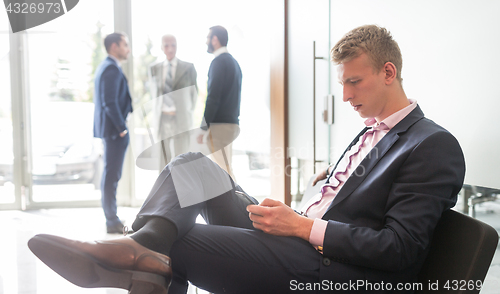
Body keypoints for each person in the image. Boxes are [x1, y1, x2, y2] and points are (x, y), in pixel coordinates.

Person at [28, 25, 465, 293]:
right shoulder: (370, 132)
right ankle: (141, 250)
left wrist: (304, 226)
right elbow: (354, 201)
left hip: (336, 271)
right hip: (301, 239)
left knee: (175, 243)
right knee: (190, 165)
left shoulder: (430, 144)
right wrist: (302, 210)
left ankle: (137, 254)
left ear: (389, 73)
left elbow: (401, 250)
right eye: (343, 84)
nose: (345, 96)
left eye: (354, 82)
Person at [92, 32, 133, 234]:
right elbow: (110, 103)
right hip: (114, 132)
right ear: (114, 46)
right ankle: (111, 220)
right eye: (125, 45)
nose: (128, 49)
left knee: (111, 175)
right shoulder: (111, 69)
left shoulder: (106, 67)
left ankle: (112, 217)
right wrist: (121, 128)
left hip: (111, 132)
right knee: (111, 176)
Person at [196, 26, 242, 180]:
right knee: (227, 169)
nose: (206, 42)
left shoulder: (218, 63)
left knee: (224, 173)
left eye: (208, 38)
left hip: (220, 128)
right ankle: (240, 203)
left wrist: (203, 128)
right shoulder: (234, 63)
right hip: (231, 124)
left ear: (215, 40)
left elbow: (213, 97)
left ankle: (241, 204)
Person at [149, 34, 198, 167]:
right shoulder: (154, 69)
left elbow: (194, 95)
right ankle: (165, 188)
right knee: (163, 162)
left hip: (181, 119)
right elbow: (154, 94)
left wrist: (186, 111)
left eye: (173, 45)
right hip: (162, 119)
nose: (170, 49)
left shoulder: (188, 68)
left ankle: (182, 188)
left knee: (182, 161)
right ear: (161, 48)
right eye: (166, 45)